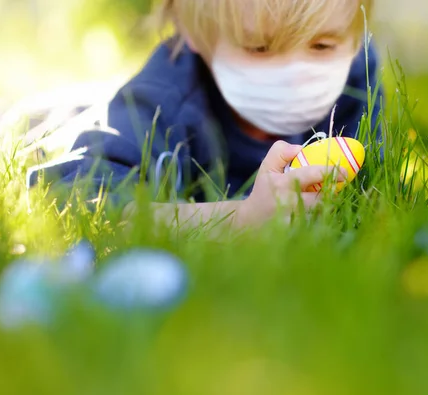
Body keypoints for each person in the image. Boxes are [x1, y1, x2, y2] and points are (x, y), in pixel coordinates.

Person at [26, 0, 384, 231]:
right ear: (193, 30)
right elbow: (75, 201)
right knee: (41, 120)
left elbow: (373, 199)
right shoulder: (165, 98)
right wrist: (238, 220)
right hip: (72, 122)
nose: (296, 72)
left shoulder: (357, 75)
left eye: (322, 46)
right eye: (259, 47)